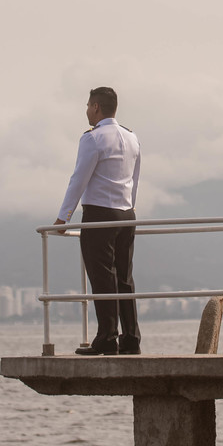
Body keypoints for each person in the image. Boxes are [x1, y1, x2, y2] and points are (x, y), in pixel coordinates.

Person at [54, 87, 142, 356]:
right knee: (124, 277)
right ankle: (131, 339)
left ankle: (106, 338)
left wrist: (63, 217)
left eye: (88, 106)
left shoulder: (92, 139)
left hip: (99, 214)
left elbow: (78, 179)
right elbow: (134, 179)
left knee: (103, 277)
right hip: (127, 214)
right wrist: (130, 206)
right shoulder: (131, 137)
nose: (86, 111)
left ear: (95, 107)